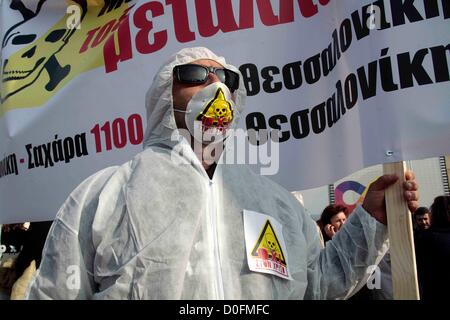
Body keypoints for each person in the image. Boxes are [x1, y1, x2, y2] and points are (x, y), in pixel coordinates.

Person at [25, 47, 419, 300]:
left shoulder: (275, 202)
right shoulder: (104, 195)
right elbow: (55, 293)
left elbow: (318, 285)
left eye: (227, 78)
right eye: (195, 74)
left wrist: (369, 220)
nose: (216, 85)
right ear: (165, 95)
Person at [415, 195, 450, 300]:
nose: (424, 222)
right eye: (420, 220)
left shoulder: (425, 238)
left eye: (425, 219)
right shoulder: (422, 237)